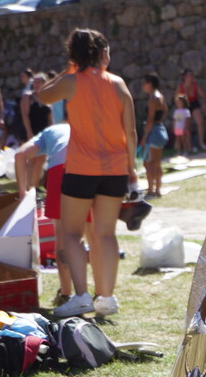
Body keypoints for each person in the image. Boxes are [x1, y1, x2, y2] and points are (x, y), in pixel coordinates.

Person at [37, 28, 136, 318]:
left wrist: (69, 70)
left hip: (81, 168)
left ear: (74, 55)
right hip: (116, 169)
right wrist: (131, 170)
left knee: (70, 233)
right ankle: (106, 298)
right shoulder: (119, 84)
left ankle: (81, 295)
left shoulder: (70, 82)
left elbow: (43, 96)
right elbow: (129, 131)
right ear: (102, 53)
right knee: (106, 234)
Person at [13, 121, 103, 307]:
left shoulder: (48, 132)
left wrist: (22, 192)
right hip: (90, 169)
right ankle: (102, 294)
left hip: (60, 172)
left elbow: (20, 155)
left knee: (63, 235)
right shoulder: (83, 125)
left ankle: (67, 294)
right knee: (93, 237)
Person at [141, 74, 169, 199]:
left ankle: (152, 190)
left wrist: (144, 137)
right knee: (156, 163)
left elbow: (150, 119)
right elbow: (165, 111)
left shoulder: (153, 98)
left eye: (144, 83)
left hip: (153, 131)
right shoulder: (161, 96)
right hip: (160, 130)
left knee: (149, 163)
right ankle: (156, 188)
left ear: (150, 83)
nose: (143, 86)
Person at [177, 69, 206, 151]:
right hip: (184, 106)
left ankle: (201, 143)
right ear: (185, 77)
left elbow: (203, 95)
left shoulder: (195, 85)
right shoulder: (181, 87)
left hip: (194, 104)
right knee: (187, 126)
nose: (191, 77)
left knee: (200, 122)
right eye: (189, 75)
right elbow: (176, 98)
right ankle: (189, 146)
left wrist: (204, 104)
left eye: (192, 75)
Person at [21, 73, 53, 142]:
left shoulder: (48, 97)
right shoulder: (28, 96)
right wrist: (29, 132)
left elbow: (50, 118)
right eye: (35, 82)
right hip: (32, 131)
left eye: (39, 82)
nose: (36, 84)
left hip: (45, 132)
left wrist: (52, 132)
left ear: (44, 83)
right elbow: (25, 115)